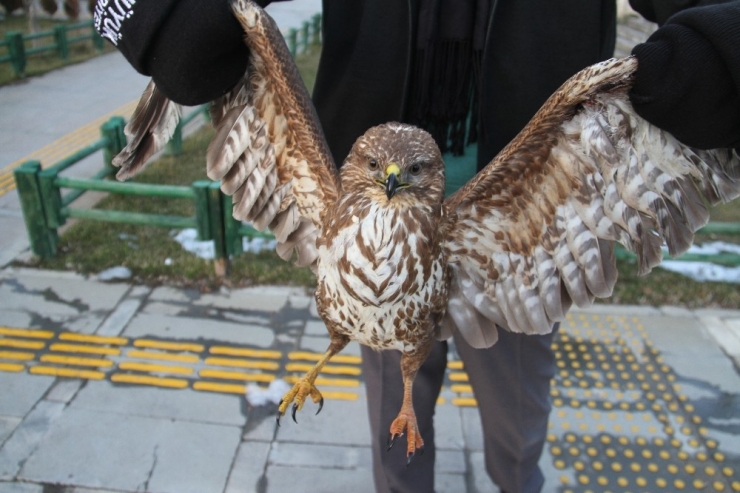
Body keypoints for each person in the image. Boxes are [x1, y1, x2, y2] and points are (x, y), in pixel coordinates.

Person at [94, 0, 740, 491]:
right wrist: (147, 12)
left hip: (516, 233)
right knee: (395, 438)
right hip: (363, 221)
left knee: (517, 433)